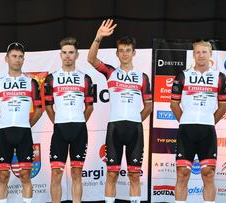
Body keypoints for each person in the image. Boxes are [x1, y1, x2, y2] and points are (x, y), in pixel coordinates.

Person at [87, 19, 153, 203]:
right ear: (117, 53)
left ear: (134, 53)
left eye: (128, 50)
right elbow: (91, 60)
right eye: (121, 51)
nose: (125, 54)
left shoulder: (142, 77)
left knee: (134, 176)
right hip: (114, 128)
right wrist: (98, 37)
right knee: (112, 174)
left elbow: (148, 105)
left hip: (135, 130)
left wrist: (134, 119)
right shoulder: (110, 72)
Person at [170, 40, 226, 203]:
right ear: (193, 54)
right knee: (182, 174)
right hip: (186, 132)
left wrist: (208, 122)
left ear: (210, 54)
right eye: (197, 52)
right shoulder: (183, 76)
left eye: (204, 52)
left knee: (208, 174)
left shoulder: (220, 77)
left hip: (207, 132)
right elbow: (174, 104)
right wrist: (187, 121)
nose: (200, 55)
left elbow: (223, 107)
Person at [0, 42, 42, 203]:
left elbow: (40, 109)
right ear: (7, 58)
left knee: (25, 175)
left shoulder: (31, 82)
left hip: (24, 133)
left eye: (20, 57)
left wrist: (26, 126)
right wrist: (4, 124)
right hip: (4, 133)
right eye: (14, 56)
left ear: (23, 59)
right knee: (3, 175)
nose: (17, 60)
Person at [44, 37, 94, 203]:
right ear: (60, 55)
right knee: (56, 173)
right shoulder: (51, 79)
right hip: (60, 130)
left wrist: (79, 121)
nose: (67, 56)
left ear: (77, 55)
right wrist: (58, 121)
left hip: (79, 129)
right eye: (64, 53)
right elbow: (48, 107)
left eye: (71, 53)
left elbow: (89, 108)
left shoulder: (85, 78)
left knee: (76, 173)